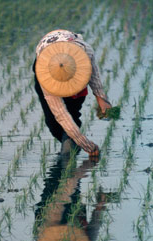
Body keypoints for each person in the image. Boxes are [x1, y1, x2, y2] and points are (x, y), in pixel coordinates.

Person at [33, 29, 112, 157]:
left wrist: (101, 98)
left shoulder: (85, 51)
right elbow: (61, 114)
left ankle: (70, 147)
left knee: (72, 113)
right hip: (47, 61)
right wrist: (87, 145)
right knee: (52, 122)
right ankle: (73, 143)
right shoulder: (44, 75)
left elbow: (93, 73)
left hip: (72, 58)